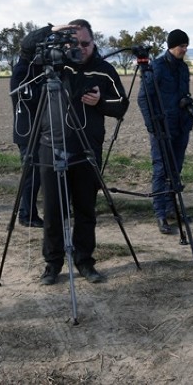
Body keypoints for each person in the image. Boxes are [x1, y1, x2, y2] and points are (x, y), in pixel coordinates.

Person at [20, 19, 129, 285]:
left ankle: (85, 262)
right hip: (51, 145)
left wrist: (100, 102)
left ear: (94, 42)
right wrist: (53, 32)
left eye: (86, 43)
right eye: (74, 43)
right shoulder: (55, 66)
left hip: (87, 148)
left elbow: (121, 106)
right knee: (54, 210)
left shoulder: (104, 70)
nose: (81, 49)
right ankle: (53, 264)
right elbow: (25, 49)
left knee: (85, 210)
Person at [137, 29, 193, 235]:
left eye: (187, 46)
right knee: (161, 171)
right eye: (182, 46)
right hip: (162, 128)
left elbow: (183, 93)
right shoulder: (157, 68)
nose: (185, 49)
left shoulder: (183, 68)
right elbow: (143, 98)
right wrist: (152, 125)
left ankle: (173, 209)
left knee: (175, 170)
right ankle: (160, 214)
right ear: (172, 46)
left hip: (181, 126)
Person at [10, 55, 44, 227]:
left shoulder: (38, 70)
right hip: (27, 132)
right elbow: (29, 97)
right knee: (31, 175)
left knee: (38, 174)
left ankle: (30, 212)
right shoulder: (22, 71)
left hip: (40, 131)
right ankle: (27, 215)